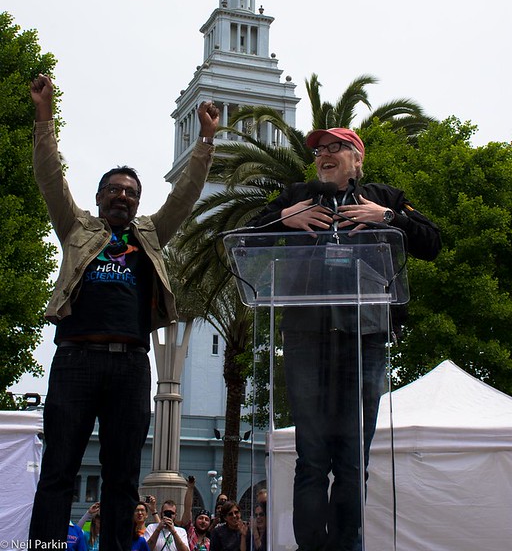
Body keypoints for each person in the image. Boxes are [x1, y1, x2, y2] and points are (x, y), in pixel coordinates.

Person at [28, 73, 219, 551]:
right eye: (113, 190)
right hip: (75, 360)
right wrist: (44, 116)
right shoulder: (74, 227)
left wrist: (206, 141)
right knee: (58, 470)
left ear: (137, 201)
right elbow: (49, 175)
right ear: (98, 198)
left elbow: (186, 195)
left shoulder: (151, 234)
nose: (122, 196)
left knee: (122, 477)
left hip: (132, 365)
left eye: (130, 191)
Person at [249, 127, 441, 551]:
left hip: (365, 336)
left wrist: (388, 218)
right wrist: (286, 217)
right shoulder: (296, 195)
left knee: (354, 460)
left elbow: (433, 242)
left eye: (336, 147)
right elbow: (246, 236)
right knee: (312, 458)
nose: (325, 154)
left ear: (358, 159)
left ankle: (347, 544)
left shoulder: (384, 196)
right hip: (305, 336)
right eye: (320, 149)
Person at [179, 476, 212, 551]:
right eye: (200, 518)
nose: (203, 521)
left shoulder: (210, 543)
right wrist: (190, 488)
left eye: (206, 519)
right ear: (195, 521)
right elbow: (187, 509)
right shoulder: (189, 533)